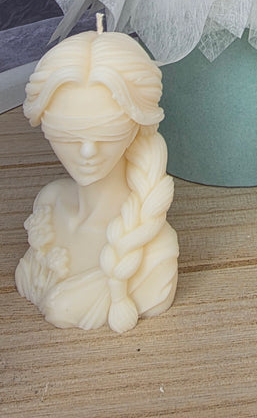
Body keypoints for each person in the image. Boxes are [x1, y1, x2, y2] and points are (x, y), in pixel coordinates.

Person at [15, 30, 179, 333]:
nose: (88, 151)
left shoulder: (156, 249)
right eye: (67, 134)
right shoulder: (49, 204)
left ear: (137, 125)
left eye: (108, 132)